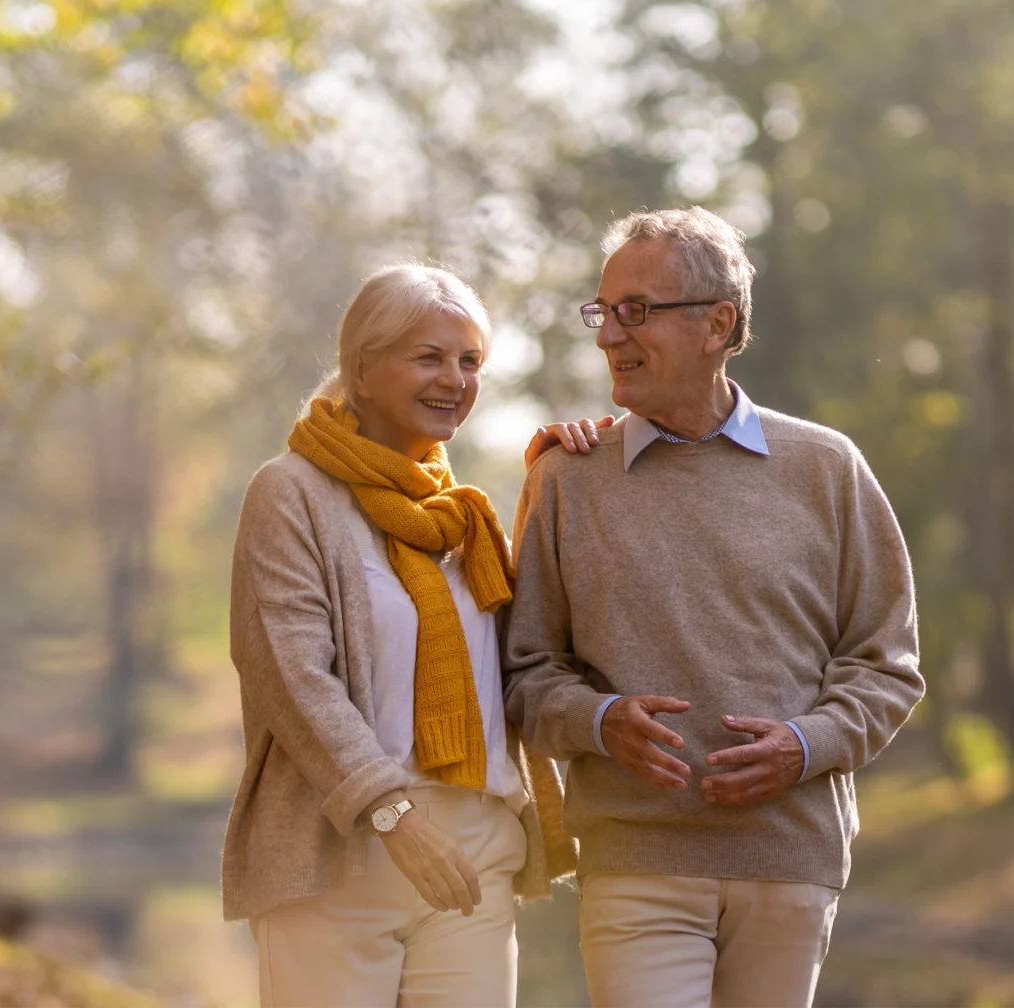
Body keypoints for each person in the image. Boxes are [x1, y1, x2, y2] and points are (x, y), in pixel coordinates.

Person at [503, 206, 925, 1008]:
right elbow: (524, 671)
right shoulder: (566, 479)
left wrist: (806, 745)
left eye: (635, 312)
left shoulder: (827, 468)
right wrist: (599, 722)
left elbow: (887, 667)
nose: (606, 337)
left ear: (715, 324)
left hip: (791, 859)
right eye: (603, 312)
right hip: (635, 856)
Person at [222, 264, 603, 1008]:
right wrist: (392, 813)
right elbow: (291, 677)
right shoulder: (291, 493)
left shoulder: (465, 514)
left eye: (470, 362)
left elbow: (530, 653)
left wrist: (577, 476)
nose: (454, 380)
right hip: (341, 849)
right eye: (428, 357)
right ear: (361, 368)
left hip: (478, 850)